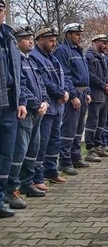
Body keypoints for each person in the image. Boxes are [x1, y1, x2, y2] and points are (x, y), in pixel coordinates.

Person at [4, 26, 50, 210]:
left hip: (38, 112)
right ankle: (12, 188)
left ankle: (27, 183)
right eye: (25, 38)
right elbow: (20, 87)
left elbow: (41, 84)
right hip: (26, 112)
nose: (30, 41)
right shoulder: (17, 62)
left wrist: (45, 101)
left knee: (34, 149)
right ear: (16, 42)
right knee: (19, 152)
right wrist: (35, 104)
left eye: (31, 38)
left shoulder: (31, 61)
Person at [27, 27, 68, 192]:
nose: (54, 43)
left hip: (57, 106)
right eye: (50, 40)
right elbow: (43, 80)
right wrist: (59, 93)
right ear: (40, 40)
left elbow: (61, 77)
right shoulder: (35, 57)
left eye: (55, 40)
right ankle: (38, 177)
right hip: (47, 106)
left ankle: (51, 171)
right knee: (41, 142)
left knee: (54, 140)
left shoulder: (52, 57)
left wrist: (64, 92)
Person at [54, 23, 92, 176]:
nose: (80, 36)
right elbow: (66, 75)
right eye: (77, 34)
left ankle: (76, 156)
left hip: (83, 92)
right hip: (74, 93)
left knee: (79, 128)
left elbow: (85, 74)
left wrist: (87, 91)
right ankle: (65, 161)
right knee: (69, 129)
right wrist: (73, 95)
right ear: (68, 34)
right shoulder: (63, 51)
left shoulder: (79, 51)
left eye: (80, 34)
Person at [0, 0, 23, 218]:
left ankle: (5, 194)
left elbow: (19, 75)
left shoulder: (10, 39)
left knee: (7, 152)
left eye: (0, 10)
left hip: (10, 102)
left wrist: (22, 101)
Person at [83, 35, 108, 162]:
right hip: (95, 94)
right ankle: (90, 148)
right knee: (93, 122)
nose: (105, 46)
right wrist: (103, 85)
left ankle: (98, 144)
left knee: (101, 122)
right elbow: (91, 75)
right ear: (95, 42)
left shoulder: (102, 57)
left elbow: (106, 74)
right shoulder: (90, 56)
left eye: (106, 43)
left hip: (104, 94)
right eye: (103, 43)